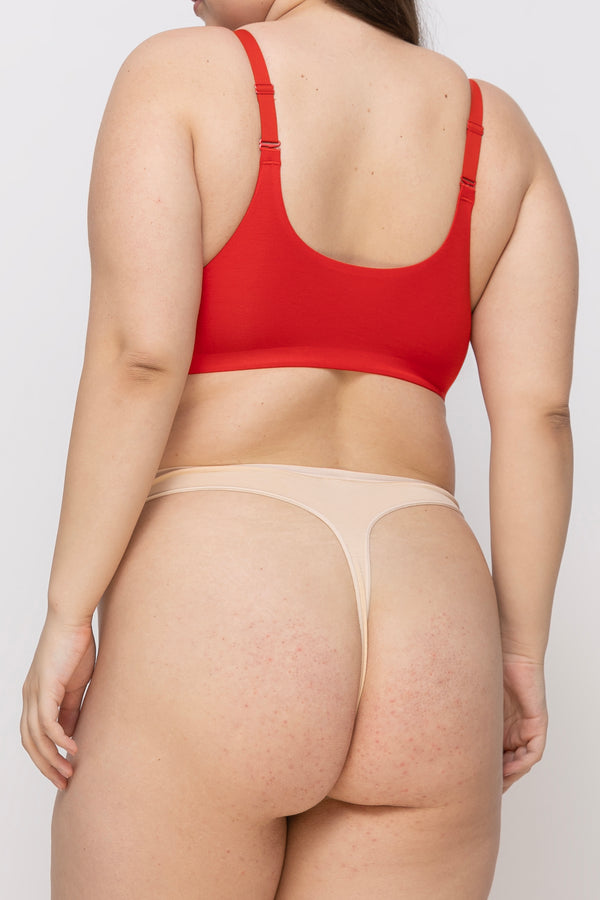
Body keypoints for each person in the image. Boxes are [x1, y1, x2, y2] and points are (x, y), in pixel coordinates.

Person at [20, 0, 577, 897]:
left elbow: (141, 358)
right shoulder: (497, 131)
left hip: (222, 607)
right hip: (432, 635)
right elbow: (540, 416)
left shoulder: (181, 76)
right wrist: (519, 653)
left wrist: (65, 612)